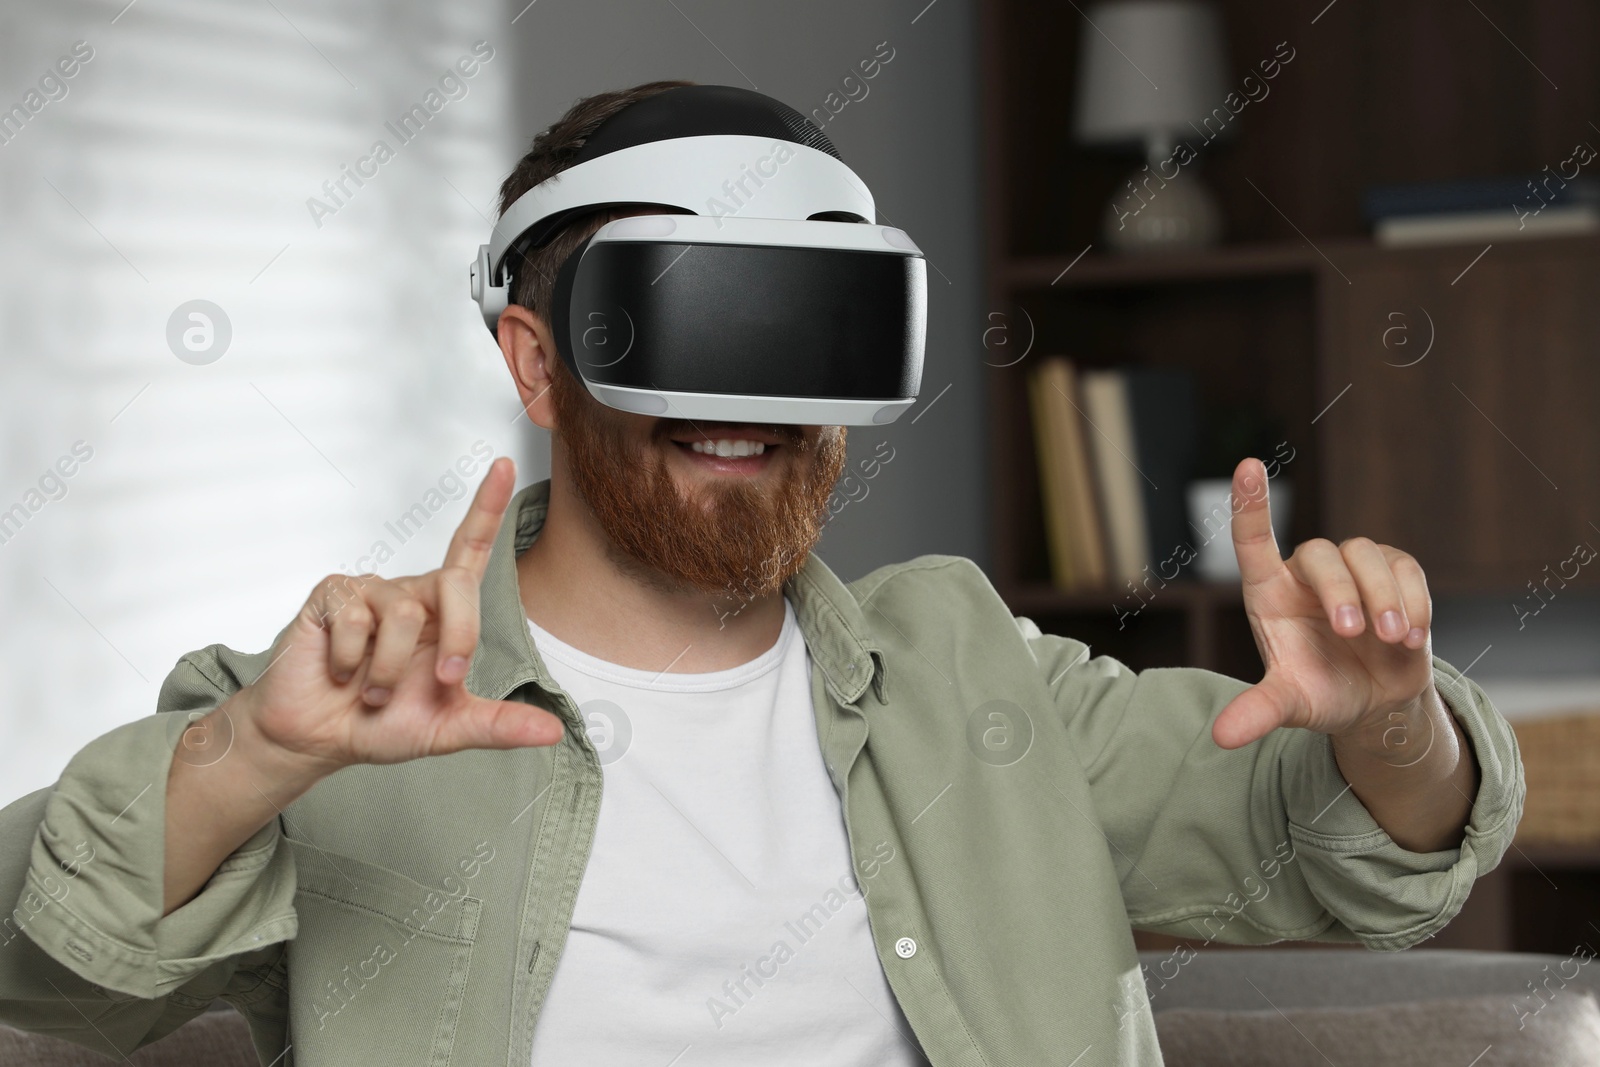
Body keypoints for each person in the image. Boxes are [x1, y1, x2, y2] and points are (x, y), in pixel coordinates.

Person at [0, 81, 1522, 1067]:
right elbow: (46, 972)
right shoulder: (339, 712)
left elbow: (1359, 860)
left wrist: (1388, 718)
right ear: (539, 362)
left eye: (807, 335)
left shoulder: (976, 671)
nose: (750, 406)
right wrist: (252, 755)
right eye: (685, 318)